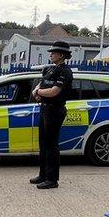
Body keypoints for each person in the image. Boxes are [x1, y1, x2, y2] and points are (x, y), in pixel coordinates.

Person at [29, 41, 74, 189]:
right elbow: (41, 84)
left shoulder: (65, 71)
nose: (50, 55)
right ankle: (43, 175)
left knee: (51, 145)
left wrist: (38, 92)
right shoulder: (50, 70)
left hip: (55, 110)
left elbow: (55, 91)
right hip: (45, 108)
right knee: (43, 144)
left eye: (53, 53)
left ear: (61, 55)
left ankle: (52, 179)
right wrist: (38, 92)